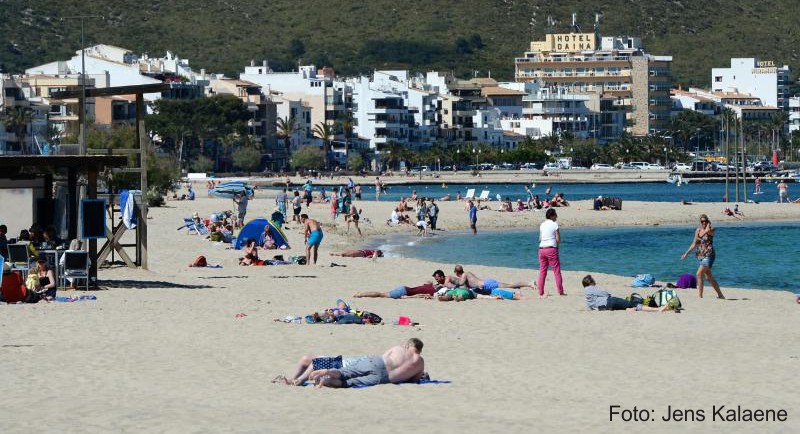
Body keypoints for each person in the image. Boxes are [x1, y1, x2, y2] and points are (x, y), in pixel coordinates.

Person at [308, 339, 425, 388]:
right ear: (419, 350)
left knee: (345, 372)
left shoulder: (399, 348)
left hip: (378, 362)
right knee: (348, 383)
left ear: (409, 345)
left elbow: (383, 356)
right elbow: (414, 380)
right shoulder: (420, 362)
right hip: (384, 378)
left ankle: (328, 371)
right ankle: (327, 380)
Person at [681, 214, 725, 299]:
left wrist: (707, 226)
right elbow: (694, 244)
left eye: (705, 221)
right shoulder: (697, 231)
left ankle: (700, 296)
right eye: (702, 221)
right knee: (708, 277)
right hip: (701, 255)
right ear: (700, 222)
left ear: (708, 221)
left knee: (698, 274)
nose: (704, 222)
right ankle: (720, 295)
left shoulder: (711, 229)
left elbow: (708, 231)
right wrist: (686, 253)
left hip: (709, 254)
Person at [582, 275, 670, 312]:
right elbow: (605, 294)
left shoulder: (586, 295)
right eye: (593, 281)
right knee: (633, 303)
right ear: (590, 282)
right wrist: (608, 294)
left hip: (608, 307)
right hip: (610, 301)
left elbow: (589, 307)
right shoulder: (591, 288)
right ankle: (658, 309)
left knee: (627, 306)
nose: (594, 282)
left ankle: (629, 309)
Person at [452, 265, 533, 299]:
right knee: (509, 285)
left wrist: (452, 284)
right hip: (487, 283)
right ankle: (527, 285)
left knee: (510, 285)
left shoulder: (464, 275)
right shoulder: (467, 273)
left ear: (456, 272)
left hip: (487, 285)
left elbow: (461, 283)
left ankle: (529, 284)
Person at [538, 208, 565, 297]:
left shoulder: (542, 225)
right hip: (551, 248)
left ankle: (540, 291)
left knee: (542, 271)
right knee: (556, 271)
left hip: (541, 249)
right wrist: (557, 247)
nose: (556, 216)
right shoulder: (554, 224)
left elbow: (540, 238)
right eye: (555, 214)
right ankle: (560, 291)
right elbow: (558, 239)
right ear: (552, 216)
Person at [354, 282, 437, 299]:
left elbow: (427, 282)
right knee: (381, 294)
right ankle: (361, 294)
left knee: (382, 294)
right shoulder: (432, 292)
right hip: (404, 292)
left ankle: (361, 294)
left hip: (404, 288)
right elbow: (419, 295)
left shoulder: (430, 286)